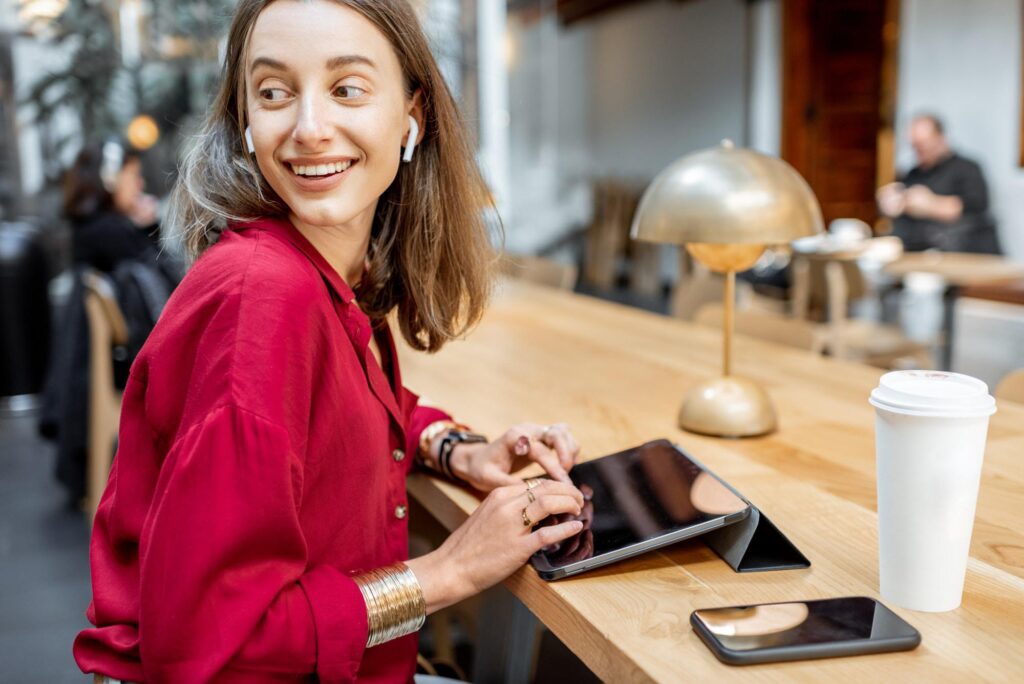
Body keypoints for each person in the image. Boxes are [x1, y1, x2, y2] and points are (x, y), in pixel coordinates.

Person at [73, 1, 587, 682]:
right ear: (247, 124)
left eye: (347, 88)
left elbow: (350, 407)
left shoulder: (325, 268)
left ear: (413, 114)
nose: (309, 129)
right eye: (274, 93)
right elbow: (208, 647)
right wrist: (447, 570)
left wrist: (457, 449)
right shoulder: (264, 298)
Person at [876, 114, 1001, 254]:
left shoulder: (967, 168)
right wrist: (893, 205)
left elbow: (975, 206)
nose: (919, 152)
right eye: (915, 146)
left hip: (969, 254)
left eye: (923, 145)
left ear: (941, 138)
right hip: (925, 255)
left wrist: (931, 204)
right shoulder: (913, 175)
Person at [63, 141, 161, 272]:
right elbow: (155, 279)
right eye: (134, 175)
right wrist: (149, 230)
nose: (140, 184)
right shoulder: (109, 232)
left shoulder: (90, 226)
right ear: (110, 179)